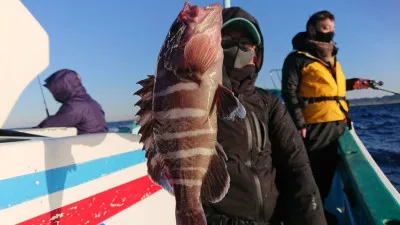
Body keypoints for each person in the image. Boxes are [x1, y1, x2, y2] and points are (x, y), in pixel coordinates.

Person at [202, 7, 327, 225]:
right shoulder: (199, 103)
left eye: (245, 44)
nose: (237, 49)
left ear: (256, 54)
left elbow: (297, 169)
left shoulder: (270, 104)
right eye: (227, 41)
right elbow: (190, 187)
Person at [281, 10, 370, 224]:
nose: (329, 35)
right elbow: (289, 92)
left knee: (328, 174)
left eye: (332, 30)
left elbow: (328, 89)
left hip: (338, 124)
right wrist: (299, 122)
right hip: (315, 127)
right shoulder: (297, 59)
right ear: (311, 29)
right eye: (324, 29)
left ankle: (317, 211)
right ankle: (307, 217)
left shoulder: (331, 59)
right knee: (313, 176)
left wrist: (352, 84)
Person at [37, 69, 109, 135]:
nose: (53, 94)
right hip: (97, 145)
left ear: (62, 88)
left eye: (54, 91)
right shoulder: (92, 103)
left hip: (86, 146)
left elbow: (50, 124)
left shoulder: (74, 107)